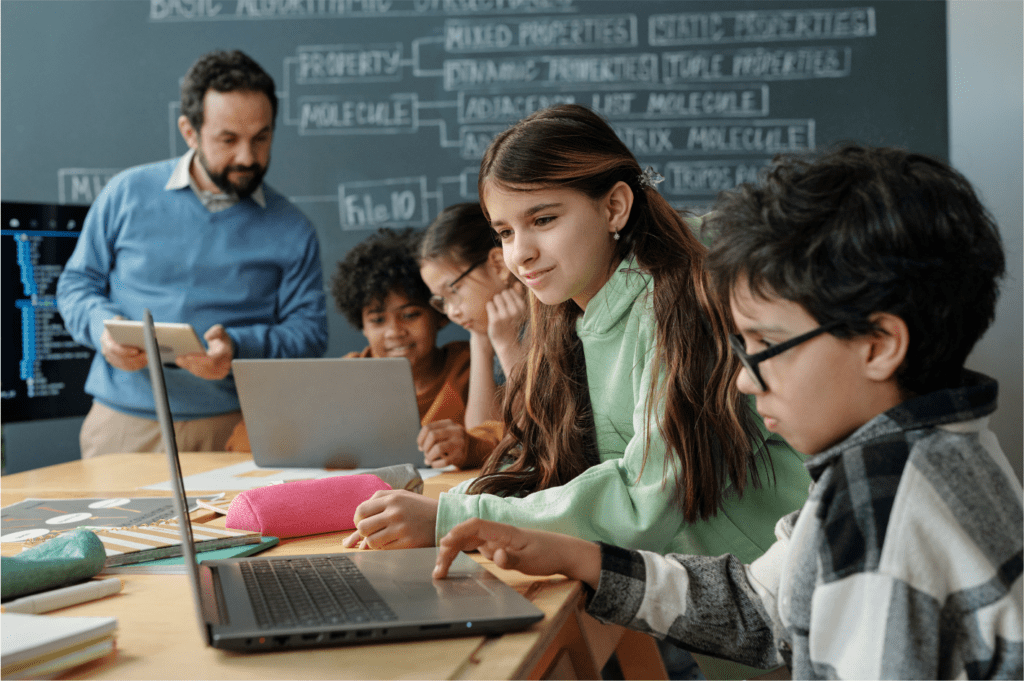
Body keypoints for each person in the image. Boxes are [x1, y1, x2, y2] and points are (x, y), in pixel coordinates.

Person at [433, 144, 1022, 680]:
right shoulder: (917, 456)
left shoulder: (883, 511)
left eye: (767, 346)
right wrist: (580, 555)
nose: (742, 377)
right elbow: (764, 606)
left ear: (878, 344)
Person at [344, 103, 812, 677]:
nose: (520, 253)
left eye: (543, 220)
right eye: (505, 232)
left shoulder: (674, 300)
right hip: (697, 609)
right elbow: (560, 461)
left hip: (776, 614)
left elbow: (646, 495)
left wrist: (451, 515)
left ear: (614, 206)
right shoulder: (575, 307)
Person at [56, 49, 328, 459]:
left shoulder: (293, 228)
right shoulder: (126, 193)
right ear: (189, 131)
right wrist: (102, 330)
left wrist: (238, 345)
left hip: (237, 426)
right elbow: (77, 283)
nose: (248, 158)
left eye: (262, 137)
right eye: (228, 139)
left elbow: (309, 333)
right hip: (122, 425)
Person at [226, 227, 502, 468]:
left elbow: (503, 442)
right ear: (362, 326)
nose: (395, 332)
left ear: (439, 313)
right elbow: (245, 439)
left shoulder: (471, 366)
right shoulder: (343, 376)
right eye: (378, 320)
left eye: (410, 314)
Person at [417, 202, 527, 467]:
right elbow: (482, 432)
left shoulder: (550, 320)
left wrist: (509, 346)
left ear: (499, 265)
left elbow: (537, 434)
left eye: (453, 290)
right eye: (441, 300)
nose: (451, 312)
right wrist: (480, 341)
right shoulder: (492, 328)